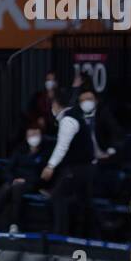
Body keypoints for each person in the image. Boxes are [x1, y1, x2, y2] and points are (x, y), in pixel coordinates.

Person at [41, 91, 99, 238]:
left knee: (57, 197)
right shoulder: (76, 116)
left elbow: (62, 147)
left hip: (79, 168)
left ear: (56, 105)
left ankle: (60, 235)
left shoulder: (68, 120)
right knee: (83, 202)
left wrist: (50, 166)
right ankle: (87, 236)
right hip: (86, 167)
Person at [0, 126, 47, 233]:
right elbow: (8, 169)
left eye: (36, 135)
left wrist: (24, 180)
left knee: (16, 187)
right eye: (31, 135)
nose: (33, 138)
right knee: (6, 187)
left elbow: (42, 174)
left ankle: (14, 224)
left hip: (31, 183)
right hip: (15, 181)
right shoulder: (20, 150)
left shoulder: (45, 153)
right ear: (26, 137)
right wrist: (13, 179)